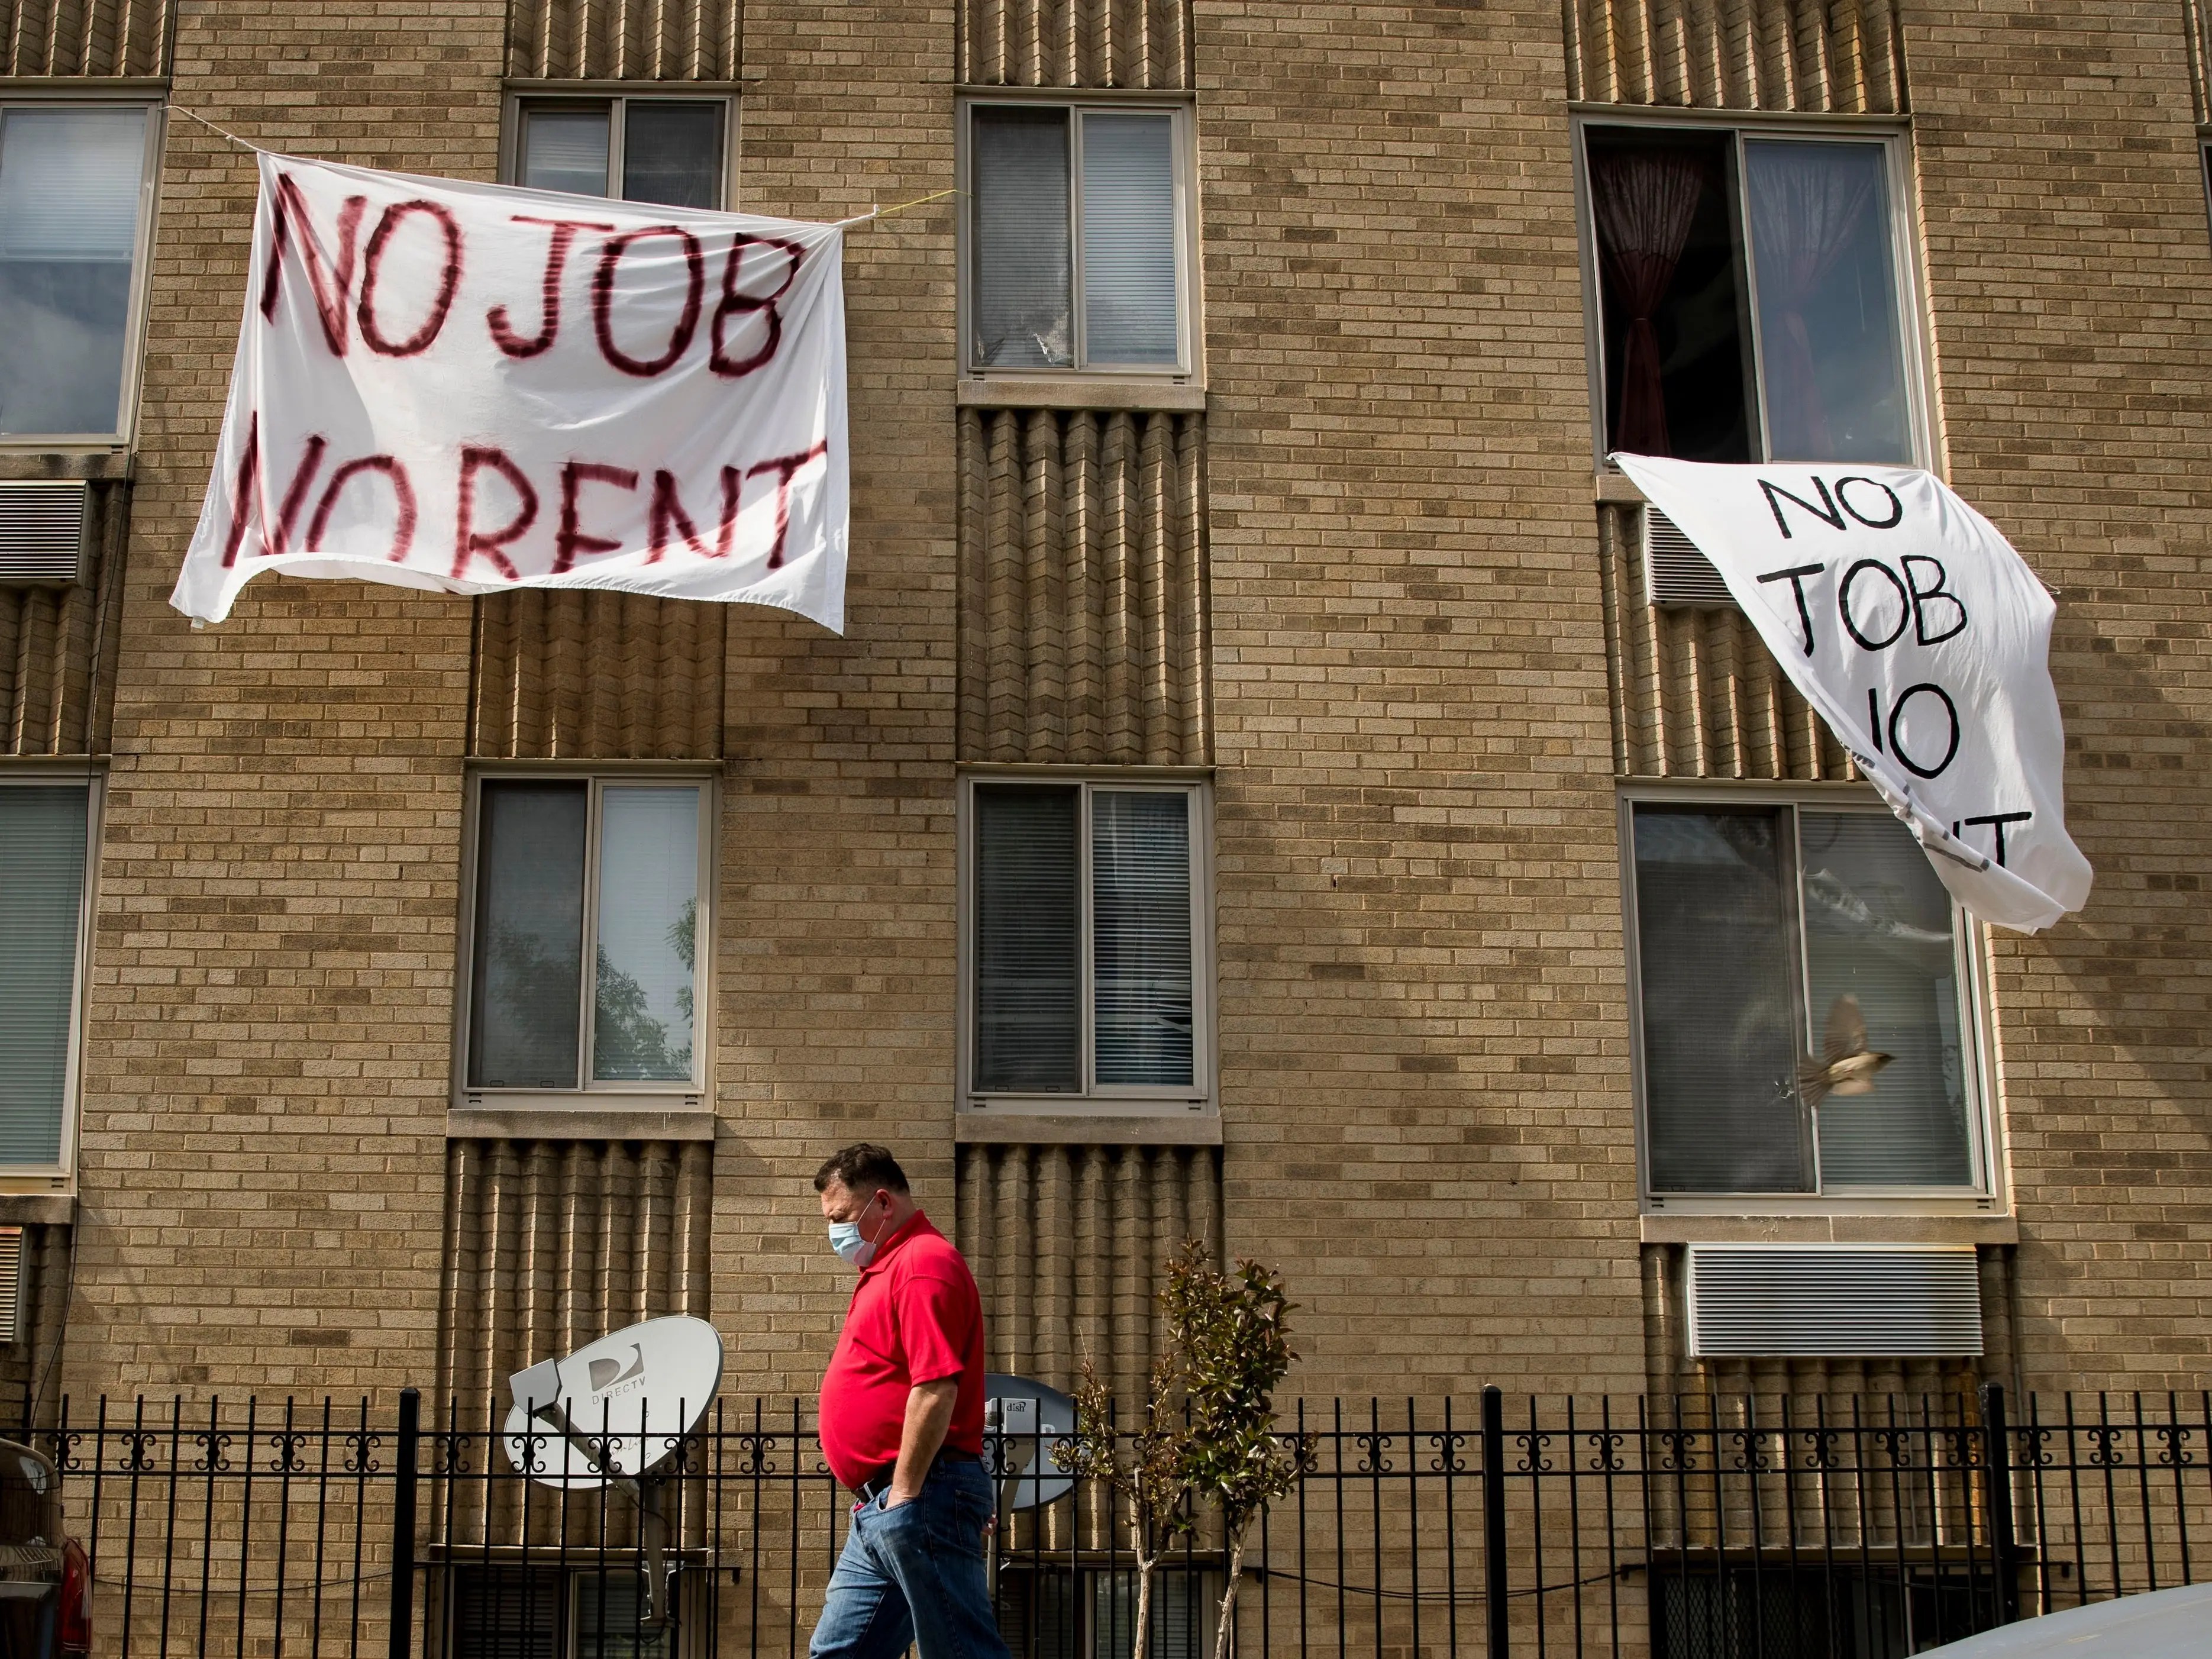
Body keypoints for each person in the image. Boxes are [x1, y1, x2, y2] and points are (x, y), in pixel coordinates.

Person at [810, 1144, 1013, 1659]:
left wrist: (905, 1493)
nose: (835, 1233)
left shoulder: (922, 1263)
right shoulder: (888, 1267)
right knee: (839, 1653)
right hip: (886, 1504)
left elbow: (937, 1385)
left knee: (961, 1651)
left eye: (842, 1218)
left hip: (916, 1496)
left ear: (882, 1204)